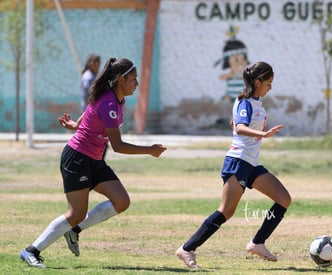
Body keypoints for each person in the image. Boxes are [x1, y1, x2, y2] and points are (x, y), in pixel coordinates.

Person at [20, 57, 167, 268]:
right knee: (76, 213)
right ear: (120, 80)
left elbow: (91, 109)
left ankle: (74, 230)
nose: (137, 83)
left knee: (121, 201)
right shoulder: (109, 103)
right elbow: (117, 145)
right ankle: (31, 250)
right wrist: (149, 151)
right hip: (77, 158)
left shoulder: (115, 99)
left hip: (94, 159)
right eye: (134, 79)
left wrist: (76, 124)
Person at [175, 61, 291, 268]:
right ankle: (187, 248)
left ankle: (257, 243)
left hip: (251, 164)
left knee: (283, 198)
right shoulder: (245, 101)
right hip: (238, 162)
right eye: (268, 83)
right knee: (226, 211)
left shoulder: (254, 102)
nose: (270, 87)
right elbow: (240, 127)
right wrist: (263, 133)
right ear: (257, 81)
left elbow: (235, 123)